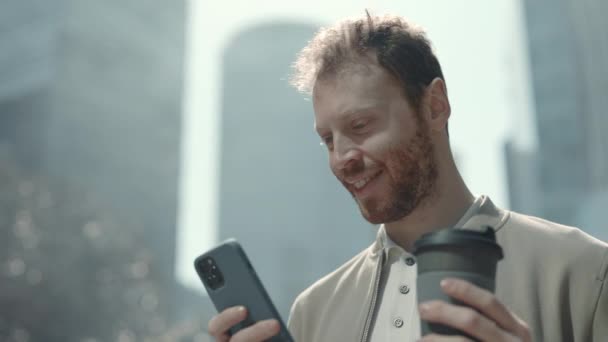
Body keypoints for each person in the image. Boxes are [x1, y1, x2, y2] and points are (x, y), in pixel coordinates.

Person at [207, 12, 608, 341]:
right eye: (328, 139)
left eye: (360, 125)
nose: (342, 158)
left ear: (435, 106)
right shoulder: (312, 311)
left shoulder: (583, 270)